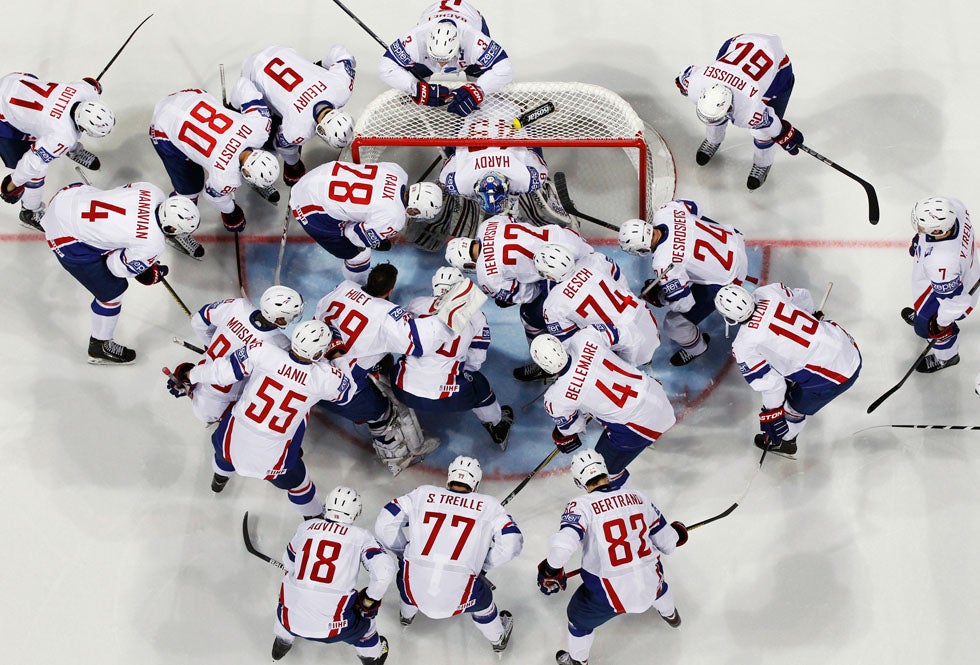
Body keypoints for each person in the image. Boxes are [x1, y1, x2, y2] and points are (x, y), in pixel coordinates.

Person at [165, 319, 351, 516]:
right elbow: (347, 393)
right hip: (270, 458)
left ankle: (219, 479)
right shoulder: (327, 378)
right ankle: (314, 520)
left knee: (224, 451)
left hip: (229, 441)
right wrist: (338, 355)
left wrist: (190, 375)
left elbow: (221, 372)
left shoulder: (262, 350)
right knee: (299, 483)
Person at [537, 449, 687, 665]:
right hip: (650, 581)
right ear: (605, 472)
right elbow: (668, 544)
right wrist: (678, 533)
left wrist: (550, 570)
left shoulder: (581, 505)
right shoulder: (638, 497)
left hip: (608, 596)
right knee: (656, 582)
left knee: (577, 619)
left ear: (580, 481)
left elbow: (564, 544)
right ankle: (670, 614)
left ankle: (578, 661)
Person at [314, 263, 463, 474]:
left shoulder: (343, 288)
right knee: (385, 412)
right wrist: (460, 308)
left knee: (380, 362)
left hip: (308, 372)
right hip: (339, 389)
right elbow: (421, 343)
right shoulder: (387, 316)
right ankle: (394, 458)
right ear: (391, 290)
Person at [374, 455, 521, 654]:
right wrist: (483, 566)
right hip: (461, 596)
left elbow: (384, 524)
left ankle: (406, 615)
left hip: (411, 588)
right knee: (484, 601)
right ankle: (497, 638)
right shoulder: (490, 505)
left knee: (408, 576)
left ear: (449, 477)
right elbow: (512, 543)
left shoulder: (423, 493)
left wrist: (404, 553)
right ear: (475, 483)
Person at [42, 181, 198, 364]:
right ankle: (99, 345)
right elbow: (114, 267)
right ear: (170, 228)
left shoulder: (153, 190)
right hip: (65, 236)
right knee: (113, 292)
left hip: (66, 197)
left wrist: (133, 250)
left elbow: (118, 193)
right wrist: (144, 269)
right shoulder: (152, 244)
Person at [715, 282, 862, 457]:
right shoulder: (768, 292)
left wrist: (773, 412)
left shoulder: (744, 345)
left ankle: (787, 440)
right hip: (845, 343)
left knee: (793, 407)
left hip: (838, 375)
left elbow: (773, 385)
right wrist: (809, 317)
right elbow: (804, 296)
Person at [445, 215, 592, 380]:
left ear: (467, 263)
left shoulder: (486, 276)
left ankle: (547, 362)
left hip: (561, 275)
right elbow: (518, 219)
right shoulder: (488, 224)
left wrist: (507, 297)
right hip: (572, 242)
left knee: (528, 314)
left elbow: (529, 295)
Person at [529, 329, 676, 489]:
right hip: (654, 393)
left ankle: (622, 505)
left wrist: (561, 436)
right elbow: (623, 337)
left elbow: (574, 428)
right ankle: (642, 441)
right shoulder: (585, 336)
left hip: (638, 428)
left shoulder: (555, 398)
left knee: (601, 474)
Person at [271, 486, 396, 665]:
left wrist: (294, 572)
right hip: (334, 629)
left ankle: (281, 644)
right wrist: (369, 600)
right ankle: (372, 657)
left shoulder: (306, 527)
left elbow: (288, 560)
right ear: (355, 512)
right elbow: (384, 572)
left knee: (288, 601)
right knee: (367, 623)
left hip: (288, 620)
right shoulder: (361, 537)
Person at [392, 266, 514, 449]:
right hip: (451, 397)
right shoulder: (476, 316)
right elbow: (476, 361)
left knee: (396, 364)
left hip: (403, 390)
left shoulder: (416, 303)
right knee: (479, 384)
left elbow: (398, 338)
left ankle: (389, 423)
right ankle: (496, 423)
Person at [149, 86, 278, 258]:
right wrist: (230, 212)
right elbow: (213, 195)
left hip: (191, 96)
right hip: (163, 129)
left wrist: (232, 108)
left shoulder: (260, 127)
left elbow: (243, 86)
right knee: (189, 190)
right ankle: (175, 227)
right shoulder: (226, 176)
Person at [617, 200, 751, 366]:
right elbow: (696, 207)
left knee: (674, 324)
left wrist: (661, 297)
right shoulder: (665, 211)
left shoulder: (663, 263)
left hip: (731, 278)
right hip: (735, 239)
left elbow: (685, 305)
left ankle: (698, 349)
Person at [675, 33, 801, 189]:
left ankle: (762, 163)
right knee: (715, 114)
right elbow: (684, 77)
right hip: (739, 44)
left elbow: (772, 125)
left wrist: (782, 134)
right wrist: (785, 135)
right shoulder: (696, 84)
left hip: (777, 70)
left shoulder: (749, 111)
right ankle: (713, 140)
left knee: (763, 134)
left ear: (731, 108)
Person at [289, 159, 443, 284]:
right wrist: (373, 240)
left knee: (361, 218)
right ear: (414, 210)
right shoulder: (395, 218)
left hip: (317, 175)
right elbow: (354, 237)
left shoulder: (397, 170)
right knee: (359, 254)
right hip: (310, 209)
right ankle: (358, 288)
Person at [0, 72, 114, 229]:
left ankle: (72, 150)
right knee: (37, 170)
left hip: (14, 81)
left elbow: (90, 82)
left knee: (56, 134)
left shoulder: (84, 92)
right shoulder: (62, 135)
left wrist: (95, 86)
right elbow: (32, 163)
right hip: (5, 115)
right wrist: (14, 184)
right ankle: (30, 211)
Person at [180, 286, 304, 424]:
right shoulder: (280, 344)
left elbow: (198, 322)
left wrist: (210, 347)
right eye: (293, 314)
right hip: (221, 407)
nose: (295, 316)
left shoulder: (237, 306)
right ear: (280, 320)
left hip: (198, 379)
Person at [237, 44, 357, 186]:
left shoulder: (341, 88)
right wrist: (294, 165)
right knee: (267, 143)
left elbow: (341, 53)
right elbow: (282, 146)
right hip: (251, 74)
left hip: (280, 50)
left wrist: (322, 67)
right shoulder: (299, 129)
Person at [534, 244, 661, 367]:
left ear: (549, 275)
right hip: (647, 321)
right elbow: (620, 282)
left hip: (623, 346)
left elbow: (570, 345)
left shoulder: (552, 305)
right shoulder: (595, 259)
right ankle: (645, 359)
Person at [379, 0, 512, 117]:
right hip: (432, 15)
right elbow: (386, 68)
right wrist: (415, 89)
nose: (441, 65)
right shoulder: (415, 39)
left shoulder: (474, 41)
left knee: (480, 82)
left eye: (446, 59)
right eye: (435, 59)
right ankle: (413, 104)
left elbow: (505, 68)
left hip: (470, 17)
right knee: (416, 74)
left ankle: (479, 115)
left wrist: (479, 90)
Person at [901, 197, 978, 372]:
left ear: (936, 231)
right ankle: (925, 317)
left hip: (945, 293)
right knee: (926, 317)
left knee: (930, 328)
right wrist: (920, 239)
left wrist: (940, 324)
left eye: (921, 226)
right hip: (953, 275)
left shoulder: (942, 263)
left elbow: (952, 302)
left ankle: (947, 357)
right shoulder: (955, 208)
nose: (918, 227)